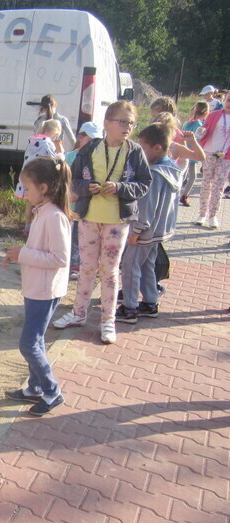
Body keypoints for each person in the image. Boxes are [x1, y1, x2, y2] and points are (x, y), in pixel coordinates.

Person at [53, 100, 152, 344]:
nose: (127, 127)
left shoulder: (135, 151)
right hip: (88, 218)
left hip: (117, 221)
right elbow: (73, 179)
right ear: (107, 123)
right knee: (86, 268)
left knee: (109, 271)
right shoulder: (90, 149)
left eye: (131, 123)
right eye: (122, 122)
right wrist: (87, 187)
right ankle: (78, 313)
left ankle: (108, 320)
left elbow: (144, 183)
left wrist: (119, 187)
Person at [3, 156, 72, 416]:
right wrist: (17, 254)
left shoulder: (54, 216)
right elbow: (37, 250)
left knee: (29, 344)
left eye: (27, 188)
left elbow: (60, 258)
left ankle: (52, 391)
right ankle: (34, 388)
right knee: (36, 340)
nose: (24, 193)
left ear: (43, 188)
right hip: (36, 288)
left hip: (45, 290)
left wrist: (23, 254)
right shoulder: (42, 211)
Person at [115, 124, 181, 325]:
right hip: (159, 231)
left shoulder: (153, 175)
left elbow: (146, 207)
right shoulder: (173, 168)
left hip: (144, 232)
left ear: (157, 148)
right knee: (147, 266)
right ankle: (150, 302)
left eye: (142, 148)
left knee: (130, 266)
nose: (139, 153)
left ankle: (130, 307)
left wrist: (136, 230)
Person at [64, 121, 102, 280]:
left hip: (87, 206)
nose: (93, 143)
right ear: (80, 137)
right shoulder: (70, 157)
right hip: (71, 205)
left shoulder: (96, 158)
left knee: (85, 236)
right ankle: (73, 265)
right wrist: (68, 192)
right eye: (90, 139)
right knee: (72, 236)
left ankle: (85, 264)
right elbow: (64, 179)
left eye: (97, 140)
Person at [16, 119, 62, 233]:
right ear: (54, 133)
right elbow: (53, 158)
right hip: (39, 176)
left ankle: (27, 225)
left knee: (30, 202)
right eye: (56, 135)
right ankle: (38, 226)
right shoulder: (47, 142)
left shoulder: (32, 140)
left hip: (28, 174)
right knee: (40, 202)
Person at [195, 90, 230, 229]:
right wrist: (201, 132)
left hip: (225, 156)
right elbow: (204, 129)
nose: (229, 104)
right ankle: (202, 214)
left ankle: (213, 215)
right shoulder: (215, 115)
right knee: (206, 184)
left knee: (218, 186)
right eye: (228, 101)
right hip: (209, 153)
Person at [180, 101, 210, 206]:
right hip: (192, 152)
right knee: (192, 176)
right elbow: (198, 139)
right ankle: (185, 195)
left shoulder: (187, 122)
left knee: (183, 172)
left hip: (182, 150)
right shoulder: (199, 125)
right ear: (206, 113)